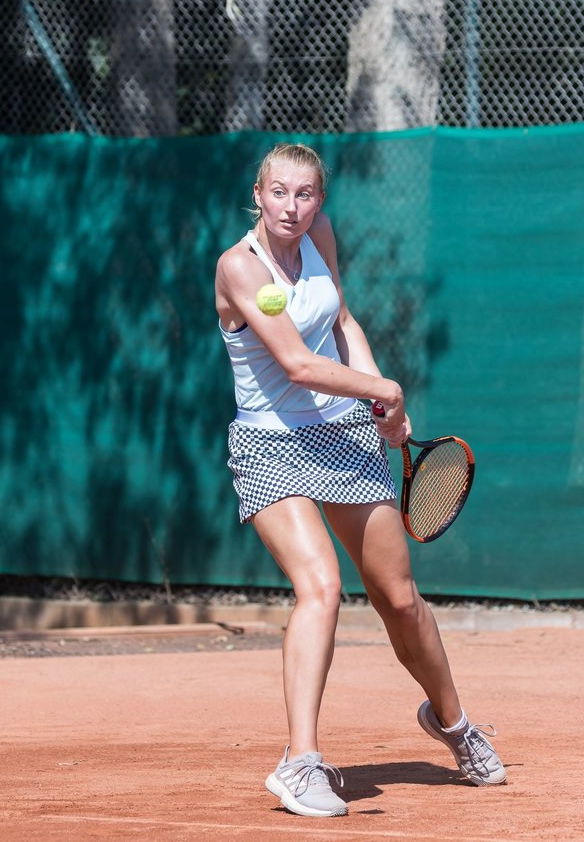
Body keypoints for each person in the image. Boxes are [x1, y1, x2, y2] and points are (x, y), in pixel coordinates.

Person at [213, 143, 506, 818]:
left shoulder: (318, 237)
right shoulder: (237, 267)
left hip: (344, 437)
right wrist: (387, 389)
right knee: (319, 587)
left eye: (305, 195)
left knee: (400, 599)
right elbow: (295, 364)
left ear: (320, 200)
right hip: (269, 445)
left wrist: (377, 408)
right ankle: (300, 763)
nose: (292, 208)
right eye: (279, 193)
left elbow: (341, 322)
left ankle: (455, 725)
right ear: (257, 194)